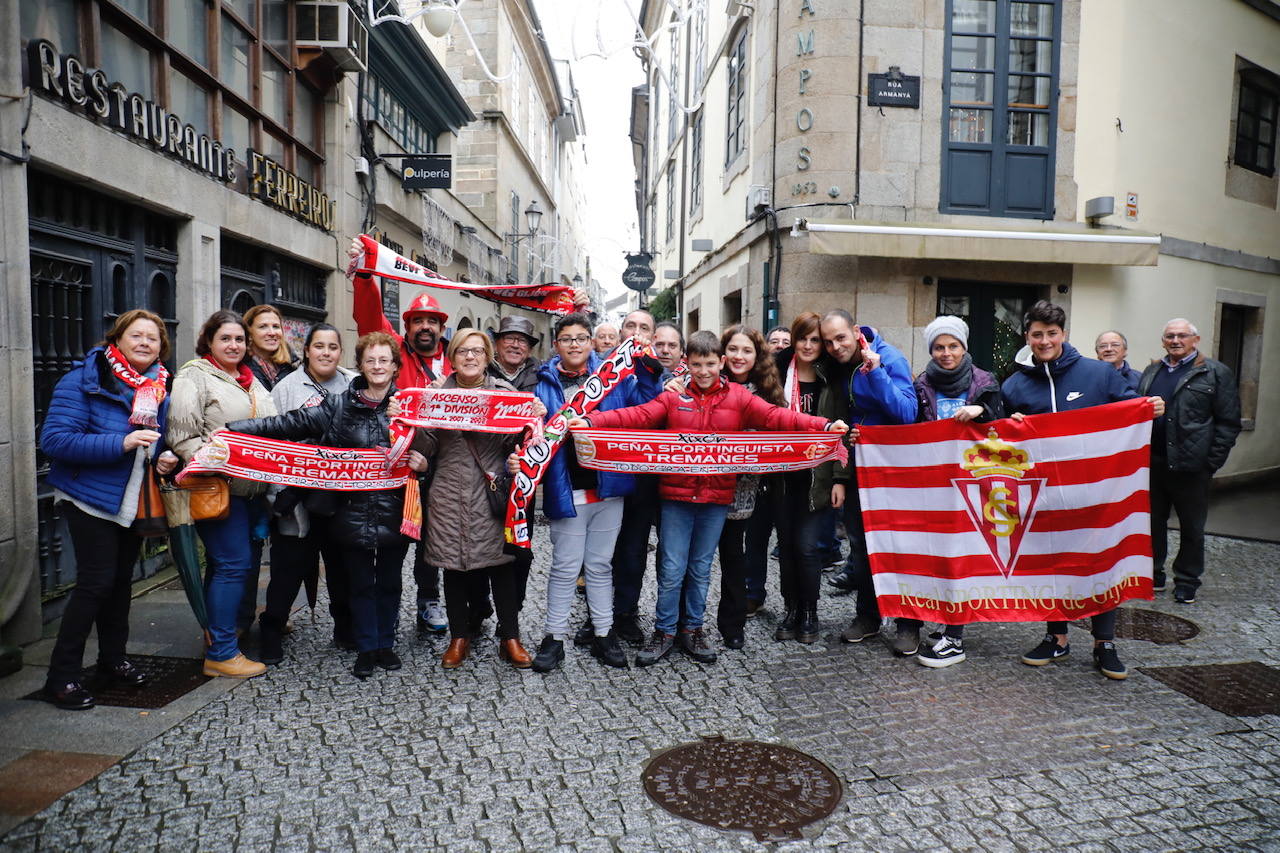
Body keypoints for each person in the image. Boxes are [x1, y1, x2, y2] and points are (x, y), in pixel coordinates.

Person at [575, 330, 844, 666]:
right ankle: (665, 630)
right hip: (676, 496)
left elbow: (777, 417)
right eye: (697, 364)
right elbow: (638, 416)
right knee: (672, 568)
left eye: (710, 364)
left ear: (721, 363)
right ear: (688, 363)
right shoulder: (673, 398)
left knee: (701, 568)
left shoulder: (739, 398)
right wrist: (591, 420)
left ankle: (693, 629)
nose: (703, 371)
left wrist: (822, 425)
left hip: (717, 497)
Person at [230, 332, 428, 679]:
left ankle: (385, 643)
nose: (378, 366)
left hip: (396, 509)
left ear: (396, 366)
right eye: (371, 360)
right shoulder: (338, 405)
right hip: (350, 510)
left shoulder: (412, 407)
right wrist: (233, 430)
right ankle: (367, 647)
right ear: (360, 366)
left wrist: (423, 463)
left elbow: (433, 446)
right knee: (361, 582)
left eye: (385, 360)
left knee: (390, 582)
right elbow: (288, 424)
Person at [1002, 300, 1165, 680]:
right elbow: (1001, 437)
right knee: (1050, 565)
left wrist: (1148, 407)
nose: (1044, 341)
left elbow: (1128, 410)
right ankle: (1055, 637)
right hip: (1043, 497)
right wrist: (1010, 424)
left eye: (1052, 334)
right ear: (1027, 336)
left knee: (1101, 563)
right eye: (1037, 334)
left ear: (1064, 334)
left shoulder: (1098, 374)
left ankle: (1104, 642)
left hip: (1097, 493)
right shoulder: (1014, 383)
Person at [38, 310, 180, 709]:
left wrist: (165, 457)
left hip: (131, 499)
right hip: (89, 498)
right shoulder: (84, 380)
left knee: (120, 584)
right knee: (95, 584)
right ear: (116, 339)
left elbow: (157, 441)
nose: (145, 343)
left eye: (153, 338)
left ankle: (112, 662)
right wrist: (121, 443)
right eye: (136, 335)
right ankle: (61, 677)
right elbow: (55, 441)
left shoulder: (156, 387)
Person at [519, 312, 657, 673]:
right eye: (567, 339)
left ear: (591, 342)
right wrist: (532, 417)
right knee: (565, 566)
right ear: (556, 345)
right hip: (568, 488)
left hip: (609, 487)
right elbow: (528, 435)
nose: (575, 345)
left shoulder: (611, 379)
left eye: (581, 338)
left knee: (599, 565)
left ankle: (604, 632)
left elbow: (646, 404)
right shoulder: (542, 382)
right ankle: (554, 637)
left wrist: (646, 366)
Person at [347, 237, 451, 637]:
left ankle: (429, 601)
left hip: (440, 465)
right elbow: (370, 316)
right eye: (417, 321)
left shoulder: (453, 362)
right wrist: (365, 273)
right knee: (392, 543)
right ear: (406, 327)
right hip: (397, 466)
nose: (424, 327)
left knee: (430, 540)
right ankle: (379, 618)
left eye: (432, 322)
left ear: (442, 328)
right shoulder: (395, 354)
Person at [413, 330, 533, 670]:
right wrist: (419, 414)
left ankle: (510, 635)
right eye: (463, 351)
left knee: (502, 564)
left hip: (490, 489)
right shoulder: (437, 394)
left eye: (477, 351)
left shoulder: (504, 393)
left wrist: (527, 424)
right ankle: (459, 635)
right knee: (454, 565)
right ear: (452, 356)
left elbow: (519, 441)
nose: (470, 357)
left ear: (487, 357)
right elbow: (426, 447)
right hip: (449, 489)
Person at [168, 310, 277, 678]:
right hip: (217, 488)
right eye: (225, 338)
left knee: (227, 566)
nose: (234, 345)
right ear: (209, 341)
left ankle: (218, 639)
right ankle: (222, 654)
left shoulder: (249, 380)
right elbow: (182, 436)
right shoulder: (194, 376)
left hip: (250, 494)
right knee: (233, 566)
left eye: (239, 339)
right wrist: (223, 461)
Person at [818, 310, 919, 651]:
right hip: (861, 471)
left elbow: (907, 413)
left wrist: (875, 373)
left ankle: (909, 624)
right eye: (828, 341)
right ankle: (868, 616)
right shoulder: (839, 362)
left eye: (841, 338)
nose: (835, 346)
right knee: (862, 548)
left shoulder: (889, 358)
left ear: (856, 332)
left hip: (894, 473)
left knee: (901, 549)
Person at [255, 323, 356, 664]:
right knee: (288, 567)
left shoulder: (353, 384)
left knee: (342, 566)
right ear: (307, 351)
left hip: (341, 497)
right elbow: (271, 440)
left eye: (332, 346)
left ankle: (345, 627)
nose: (326, 352)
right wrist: (278, 495)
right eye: (319, 346)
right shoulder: (285, 389)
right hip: (294, 496)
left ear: (340, 352)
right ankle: (271, 628)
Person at [908, 316, 1005, 668]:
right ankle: (947, 622)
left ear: (964, 347)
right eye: (939, 347)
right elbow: (912, 427)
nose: (946, 353)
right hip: (935, 483)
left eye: (953, 346)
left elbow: (1004, 423)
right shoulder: (921, 384)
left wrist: (983, 411)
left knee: (963, 556)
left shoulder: (985, 382)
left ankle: (955, 637)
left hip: (975, 484)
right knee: (941, 555)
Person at [1138, 318, 1241, 604]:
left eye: (1182, 336)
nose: (1175, 340)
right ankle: (1153, 573)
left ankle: (1186, 580)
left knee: (1192, 527)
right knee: (1152, 523)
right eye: (1169, 336)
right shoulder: (1151, 372)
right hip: (1154, 463)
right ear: (1163, 341)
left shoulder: (1215, 373)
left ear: (1195, 340)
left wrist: (1211, 462)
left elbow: (1228, 422)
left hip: (1192, 466)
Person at [770, 312, 843, 644]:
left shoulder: (833, 376)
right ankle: (791, 610)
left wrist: (841, 479)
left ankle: (810, 612)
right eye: (804, 339)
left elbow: (843, 429)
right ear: (794, 340)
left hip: (821, 476)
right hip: (784, 476)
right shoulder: (776, 375)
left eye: (816, 340)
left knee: (807, 547)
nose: (809, 346)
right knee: (786, 547)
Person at [713, 325, 786, 649]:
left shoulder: (767, 392)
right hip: (701, 486)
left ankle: (732, 624)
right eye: (734, 349)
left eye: (747, 351)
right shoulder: (704, 383)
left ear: (757, 357)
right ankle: (683, 625)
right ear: (722, 353)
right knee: (694, 561)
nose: (739, 356)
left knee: (733, 557)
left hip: (744, 489)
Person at [600, 309, 665, 646]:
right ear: (621, 330)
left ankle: (625, 613)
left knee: (633, 549)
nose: (637, 332)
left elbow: (649, 410)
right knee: (601, 550)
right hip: (605, 473)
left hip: (640, 477)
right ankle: (599, 617)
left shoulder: (652, 372)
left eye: (644, 328)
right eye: (631, 326)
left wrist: (645, 369)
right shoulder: (600, 369)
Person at [488, 315, 543, 611]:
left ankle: (512, 609)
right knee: (483, 541)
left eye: (521, 339)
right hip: (482, 469)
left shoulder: (542, 378)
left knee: (520, 544)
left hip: (524, 475)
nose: (514, 344)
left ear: (530, 348)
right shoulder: (479, 371)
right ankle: (480, 605)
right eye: (508, 337)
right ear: (496, 343)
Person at [243, 304, 298, 391]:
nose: (272, 333)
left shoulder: (292, 365)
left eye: (276, 326)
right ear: (249, 332)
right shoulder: (240, 368)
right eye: (263, 327)